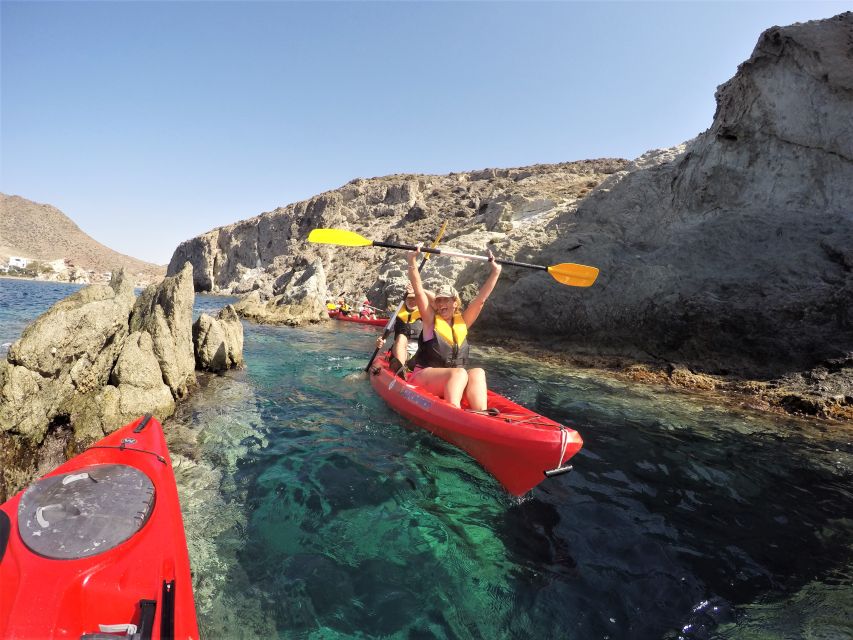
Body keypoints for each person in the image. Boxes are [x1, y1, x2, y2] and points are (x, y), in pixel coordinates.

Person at [406, 247, 501, 410]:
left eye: (446, 300)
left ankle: (481, 413)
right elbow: (420, 292)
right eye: (439, 300)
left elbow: (480, 300)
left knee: (478, 372)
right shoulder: (430, 321)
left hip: (451, 380)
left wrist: (496, 272)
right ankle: (453, 411)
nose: (442, 304)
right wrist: (412, 261)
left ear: (455, 303)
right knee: (459, 373)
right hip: (423, 377)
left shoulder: (462, 322)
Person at [375, 284, 429, 378]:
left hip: (418, 355)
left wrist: (419, 289)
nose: (412, 301)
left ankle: (410, 368)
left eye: (415, 299)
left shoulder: (426, 315)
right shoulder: (396, 316)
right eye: (410, 299)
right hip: (400, 353)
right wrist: (380, 341)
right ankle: (401, 369)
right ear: (405, 300)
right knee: (401, 337)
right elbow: (383, 337)